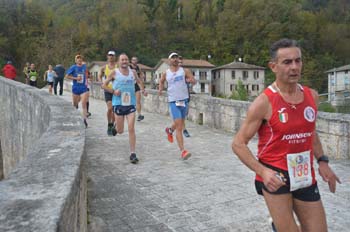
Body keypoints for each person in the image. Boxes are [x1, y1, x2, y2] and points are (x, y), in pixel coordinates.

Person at [232, 38, 341, 232]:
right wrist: (263, 172)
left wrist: (322, 161)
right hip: (276, 175)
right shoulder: (264, 102)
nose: (294, 67)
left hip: (304, 174)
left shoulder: (311, 96)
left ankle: (278, 224)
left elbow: (310, 132)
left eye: (298, 61)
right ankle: (280, 224)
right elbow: (238, 144)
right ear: (273, 66)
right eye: (287, 62)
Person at [102, 53, 147, 163]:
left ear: (128, 61)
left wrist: (143, 90)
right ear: (119, 61)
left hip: (130, 104)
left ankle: (133, 153)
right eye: (122, 60)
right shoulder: (115, 72)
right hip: (118, 104)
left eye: (126, 59)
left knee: (131, 128)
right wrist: (113, 91)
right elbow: (104, 85)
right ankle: (116, 127)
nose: (124, 61)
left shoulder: (133, 72)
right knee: (121, 131)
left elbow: (139, 81)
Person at [158, 52, 196, 160]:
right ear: (169, 61)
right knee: (179, 126)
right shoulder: (166, 73)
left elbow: (193, 81)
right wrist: (160, 88)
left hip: (184, 100)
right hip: (173, 101)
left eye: (176, 58)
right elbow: (161, 81)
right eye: (172, 58)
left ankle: (169, 130)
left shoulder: (184, 71)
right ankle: (183, 151)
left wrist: (191, 80)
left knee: (180, 122)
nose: (175, 59)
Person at [65, 54, 89, 128]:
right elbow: (67, 76)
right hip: (75, 88)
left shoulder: (84, 66)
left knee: (84, 104)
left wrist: (88, 78)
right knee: (75, 105)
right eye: (78, 59)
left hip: (83, 88)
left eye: (80, 59)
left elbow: (87, 73)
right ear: (75, 61)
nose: (79, 60)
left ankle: (84, 120)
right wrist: (75, 78)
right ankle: (75, 117)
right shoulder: (73, 67)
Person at [98, 50, 117, 136]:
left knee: (115, 110)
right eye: (109, 55)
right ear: (107, 56)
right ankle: (109, 124)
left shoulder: (118, 67)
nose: (111, 57)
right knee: (110, 108)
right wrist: (101, 83)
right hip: (108, 90)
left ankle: (112, 124)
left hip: (116, 91)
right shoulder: (104, 67)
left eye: (112, 55)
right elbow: (99, 75)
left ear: (114, 57)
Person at [129, 56, 145, 121]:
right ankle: (128, 114)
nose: (134, 61)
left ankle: (139, 115)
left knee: (138, 101)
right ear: (131, 61)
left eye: (135, 60)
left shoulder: (138, 67)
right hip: (129, 85)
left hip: (136, 84)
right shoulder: (129, 67)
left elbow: (141, 75)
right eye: (133, 60)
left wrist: (142, 87)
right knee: (129, 102)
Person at [178, 56, 191, 137]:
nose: (180, 64)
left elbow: (191, 80)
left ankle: (172, 129)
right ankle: (184, 130)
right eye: (178, 62)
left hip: (186, 95)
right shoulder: (173, 73)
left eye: (181, 63)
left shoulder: (185, 72)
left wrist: (189, 80)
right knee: (180, 115)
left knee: (184, 114)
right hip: (178, 96)